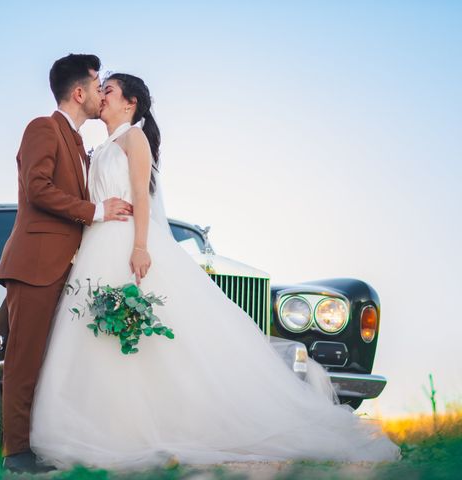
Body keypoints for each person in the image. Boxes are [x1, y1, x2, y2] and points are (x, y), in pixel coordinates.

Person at [28, 72, 401, 469]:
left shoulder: (133, 139)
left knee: (138, 337)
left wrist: (139, 247)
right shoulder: (99, 148)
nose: (102, 95)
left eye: (109, 90)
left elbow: (141, 197)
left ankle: (146, 430)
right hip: (96, 249)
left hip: (125, 245)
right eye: (100, 89)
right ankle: (101, 426)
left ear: (130, 103)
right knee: (98, 338)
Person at [0, 54, 133, 474]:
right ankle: (15, 455)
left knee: (50, 361)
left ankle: (38, 443)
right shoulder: (43, 128)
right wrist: (97, 211)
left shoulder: (80, 146)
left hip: (66, 270)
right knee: (25, 359)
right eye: (96, 85)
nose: (100, 91)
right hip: (35, 263)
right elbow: (37, 189)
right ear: (78, 92)